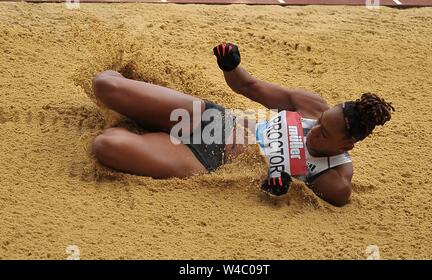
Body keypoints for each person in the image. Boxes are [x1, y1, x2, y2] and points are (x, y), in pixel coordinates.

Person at [91, 42, 394, 207]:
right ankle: (144, 121)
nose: (313, 129)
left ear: (346, 145)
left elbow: (299, 198)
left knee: (106, 144)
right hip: (212, 119)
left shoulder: (335, 177)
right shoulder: (311, 106)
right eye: (319, 123)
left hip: (205, 161)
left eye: (324, 133)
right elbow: (249, 87)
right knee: (105, 84)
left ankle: (141, 131)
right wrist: (231, 66)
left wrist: (279, 190)